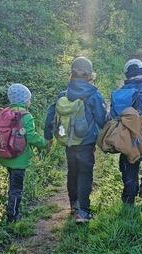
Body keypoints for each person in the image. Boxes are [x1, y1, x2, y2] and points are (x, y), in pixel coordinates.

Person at [45, 57, 107, 224]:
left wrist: (48, 137)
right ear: (89, 76)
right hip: (86, 143)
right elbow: (102, 120)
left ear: (72, 74)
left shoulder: (63, 94)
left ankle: (74, 204)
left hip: (69, 143)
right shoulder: (94, 95)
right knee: (85, 173)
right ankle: (83, 212)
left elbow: (50, 116)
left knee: (72, 171)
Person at [0, 83, 48, 223]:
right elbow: (30, 136)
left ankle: (12, 209)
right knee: (17, 188)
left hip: (5, 156)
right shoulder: (26, 116)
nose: (30, 101)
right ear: (24, 100)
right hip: (19, 158)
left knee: (13, 184)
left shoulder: (2, 114)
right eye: (29, 99)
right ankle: (13, 216)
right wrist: (44, 143)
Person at [110, 59, 142, 205]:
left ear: (126, 75)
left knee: (129, 165)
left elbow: (113, 116)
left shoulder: (118, 93)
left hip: (126, 135)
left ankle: (128, 197)